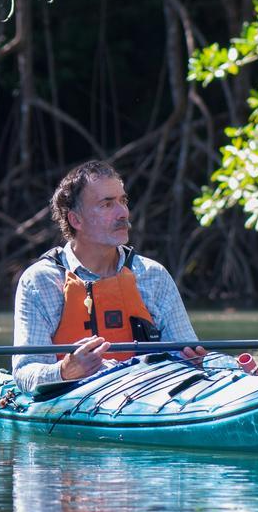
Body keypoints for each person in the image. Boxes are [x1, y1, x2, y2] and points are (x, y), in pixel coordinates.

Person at [12, 160, 213, 393]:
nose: (123, 213)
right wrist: (65, 371)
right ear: (76, 220)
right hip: (76, 402)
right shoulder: (40, 281)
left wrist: (194, 362)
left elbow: (187, 352)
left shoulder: (153, 275)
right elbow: (25, 374)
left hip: (149, 397)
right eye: (107, 205)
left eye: (123, 201)